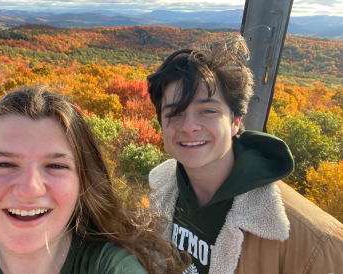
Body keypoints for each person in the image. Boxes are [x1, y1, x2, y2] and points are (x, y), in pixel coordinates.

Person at [0, 86, 188, 274]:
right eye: (5, 164)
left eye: (55, 165)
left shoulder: (111, 267)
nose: (29, 189)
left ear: (82, 182)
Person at [146, 35, 343, 274]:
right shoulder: (160, 193)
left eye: (207, 110)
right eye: (174, 113)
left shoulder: (313, 242)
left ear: (235, 121)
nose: (189, 127)